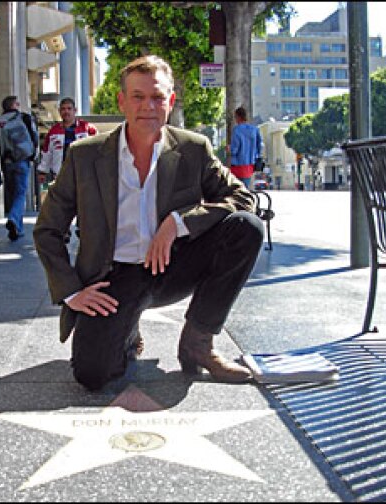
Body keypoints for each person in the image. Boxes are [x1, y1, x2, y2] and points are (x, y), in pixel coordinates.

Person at [33, 55, 264, 391]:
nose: (148, 106)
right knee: (92, 376)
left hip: (172, 265)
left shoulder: (193, 148)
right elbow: (47, 230)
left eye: (157, 97)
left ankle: (198, 343)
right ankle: (126, 332)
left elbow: (243, 199)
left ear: (170, 102)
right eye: (138, 97)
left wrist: (177, 223)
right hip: (114, 276)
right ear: (122, 101)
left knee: (246, 228)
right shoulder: (84, 156)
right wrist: (71, 291)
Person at [0, 96, 38, 241]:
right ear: (14, 105)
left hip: (6, 162)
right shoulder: (25, 118)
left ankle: (17, 229)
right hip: (22, 160)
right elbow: (34, 137)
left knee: (12, 193)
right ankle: (14, 220)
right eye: (18, 103)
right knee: (20, 193)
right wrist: (33, 155)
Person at [37, 97, 97, 183]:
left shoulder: (87, 128)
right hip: (60, 175)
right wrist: (42, 171)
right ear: (59, 111)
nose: (66, 112)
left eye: (69, 108)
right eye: (63, 109)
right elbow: (47, 152)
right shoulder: (53, 131)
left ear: (75, 110)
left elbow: (98, 150)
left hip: (83, 175)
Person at [225, 106, 262, 189]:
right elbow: (260, 146)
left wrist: (229, 148)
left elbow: (235, 150)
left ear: (238, 117)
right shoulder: (254, 129)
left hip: (238, 166)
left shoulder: (237, 130)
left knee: (236, 189)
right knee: (245, 187)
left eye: (235, 117)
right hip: (250, 165)